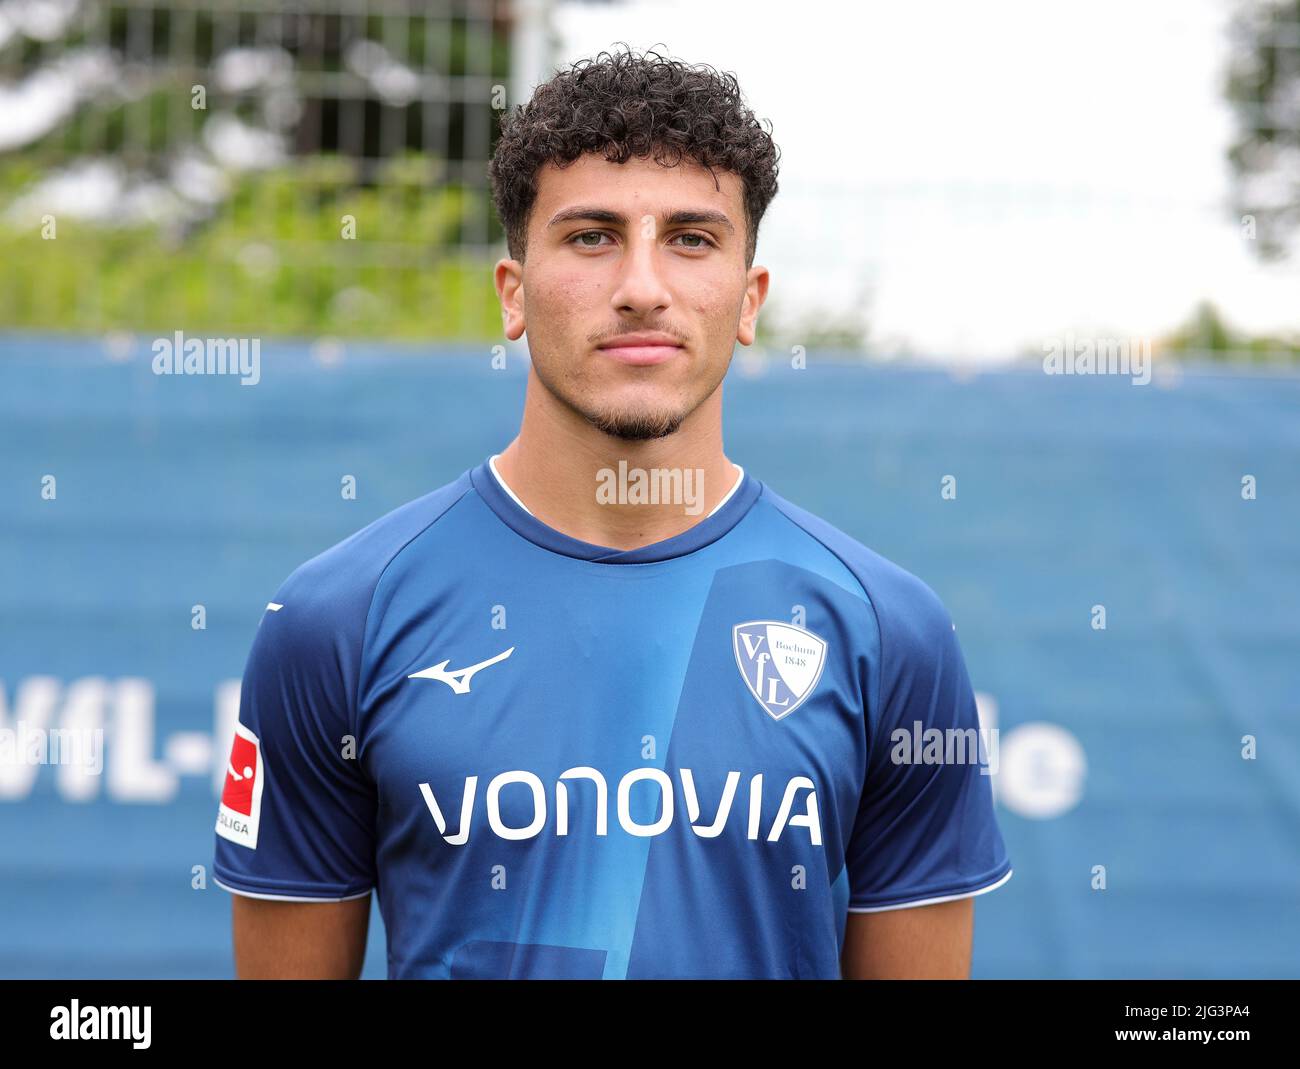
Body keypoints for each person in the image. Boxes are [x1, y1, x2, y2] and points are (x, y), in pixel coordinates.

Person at [213, 46, 1012, 980]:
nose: (642, 285)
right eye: (592, 236)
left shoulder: (890, 629)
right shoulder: (334, 620)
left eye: (691, 238)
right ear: (513, 294)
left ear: (749, 301)